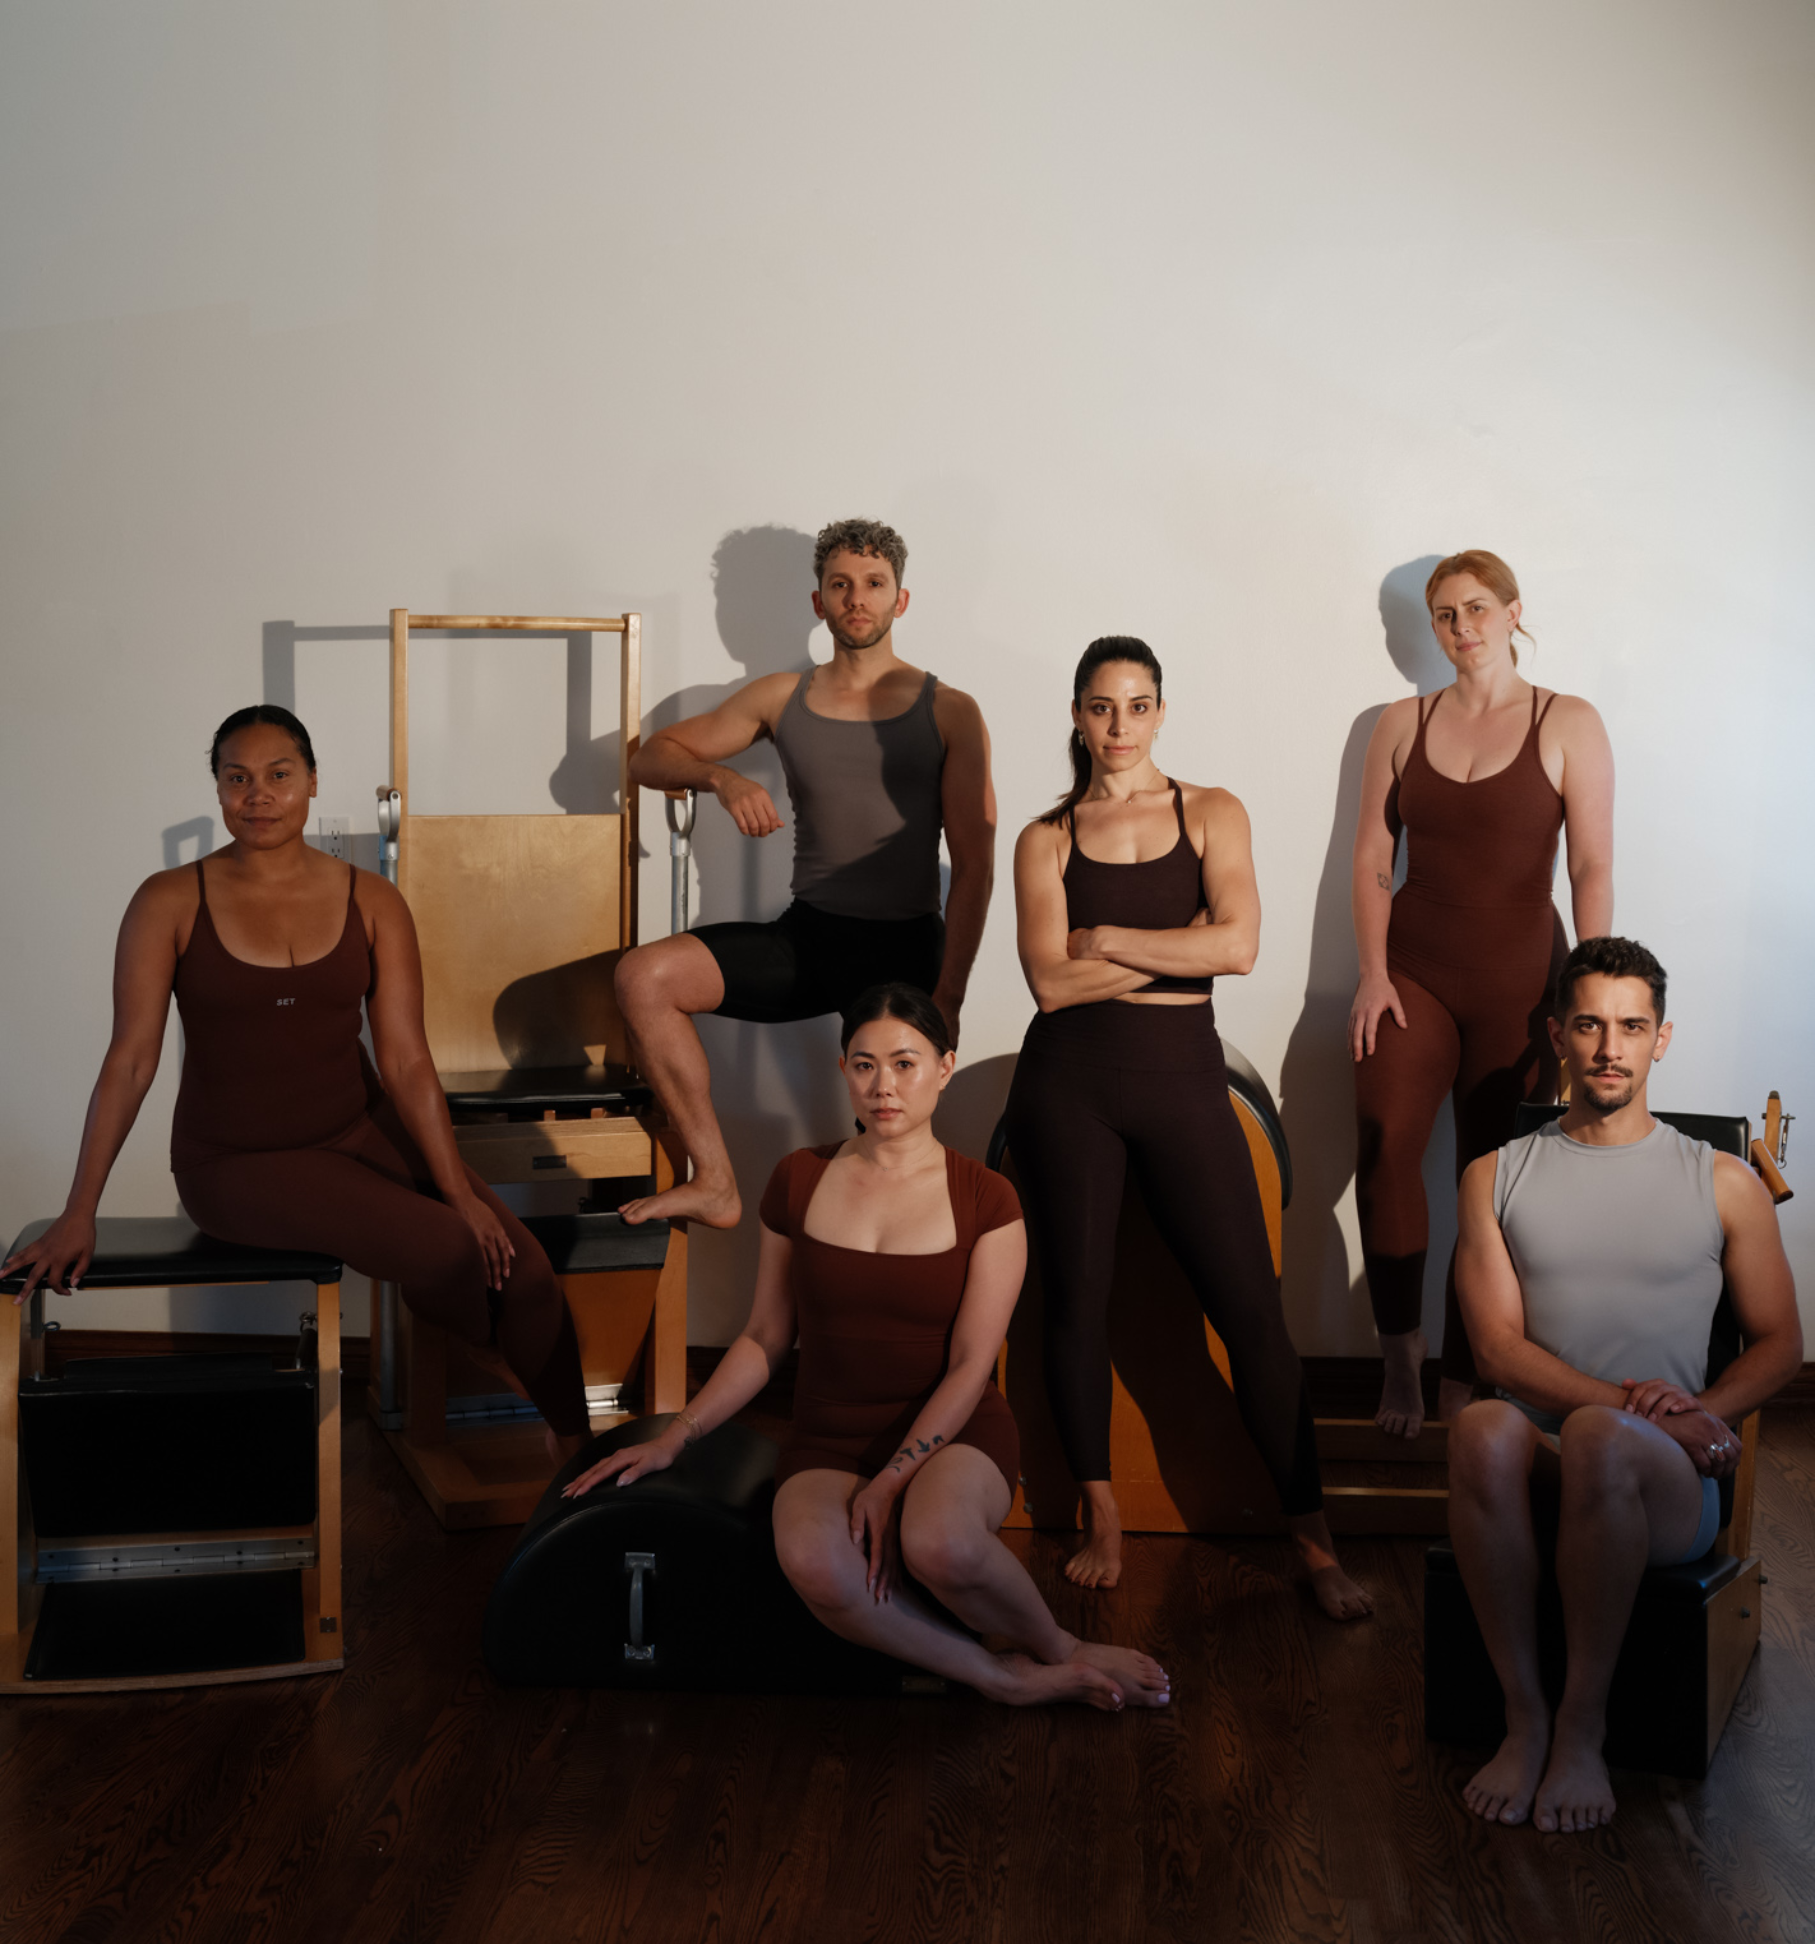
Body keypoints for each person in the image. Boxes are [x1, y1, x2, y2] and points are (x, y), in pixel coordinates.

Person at [2, 706, 590, 1459]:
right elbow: (131, 1060)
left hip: (355, 1127)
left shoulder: (372, 900)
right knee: (451, 1251)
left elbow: (407, 1060)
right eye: (236, 778)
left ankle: (580, 1460)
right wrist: (79, 1209)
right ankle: (485, 1344)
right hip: (236, 1163)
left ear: (311, 782)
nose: (258, 795)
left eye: (278, 775)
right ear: (217, 790)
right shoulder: (168, 900)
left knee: (527, 1268)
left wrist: (460, 1192)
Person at [565, 985, 1171, 1711]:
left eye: (905, 1064)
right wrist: (680, 1433)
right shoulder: (799, 1177)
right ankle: (995, 1676)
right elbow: (764, 1335)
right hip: (828, 1438)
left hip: (956, 1434)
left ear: (945, 1068)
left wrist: (889, 1482)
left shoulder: (986, 1200)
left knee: (938, 1542)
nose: (883, 1086)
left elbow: (972, 1363)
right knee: (814, 1564)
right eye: (863, 1065)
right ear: (843, 1071)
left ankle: (1057, 1644)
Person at [1001, 637, 1371, 1618]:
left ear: (1162, 712)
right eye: (1099, 707)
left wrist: (1115, 940)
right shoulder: (1044, 837)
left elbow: (1242, 946)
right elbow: (1047, 982)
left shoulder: (1211, 811)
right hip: (1068, 1085)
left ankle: (1314, 1538)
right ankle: (1101, 1511)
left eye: (1137, 705)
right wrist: (1186, 952)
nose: (1118, 727)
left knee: (1252, 1313)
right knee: (1075, 1304)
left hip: (1180, 1081)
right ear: (1076, 716)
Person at [1449, 935, 1799, 1833]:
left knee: (1604, 1443)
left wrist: (1689, 1421)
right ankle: (1523, 1717)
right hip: (1542, 1454)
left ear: (1661, 1039)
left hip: (1663, 1483)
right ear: (1558, 1034)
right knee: (1483, 1427)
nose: (1611, 1046)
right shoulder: (1493, 1176)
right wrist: (1626, 1404)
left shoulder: (1723, 1182)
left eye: (1631, 1027)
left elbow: (1777, 1347)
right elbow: (1493, 1349)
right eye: (1591, 1025)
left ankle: (1580, 1726)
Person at [614, 518, 996, 1231]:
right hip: (811, 940)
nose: (858, 599)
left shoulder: (948, 711)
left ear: (900, 601)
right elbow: (648, 758)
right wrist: (720, 779)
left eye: (874, 585)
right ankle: (715, 1181)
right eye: (841, 585)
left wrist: (947, 995)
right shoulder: (778, 698)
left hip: (905, 951)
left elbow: (974, 868)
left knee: (887, 1146)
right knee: (644, 978)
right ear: (817, 602)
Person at [1349, 550, 1615, 1438]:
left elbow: (1588, 864)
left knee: (1491, 1180)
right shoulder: (1399, 721)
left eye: (1474, 609)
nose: (1460, 628)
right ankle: (1398, 1368)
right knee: (1386, 1140)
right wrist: (1373, 972)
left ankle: (1466, 1377)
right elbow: (1368, 860)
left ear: (1512, 613)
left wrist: (1592, 990)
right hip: (1414, 973)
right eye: (1442, 615)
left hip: (1522, 985)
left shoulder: (1566, 720)